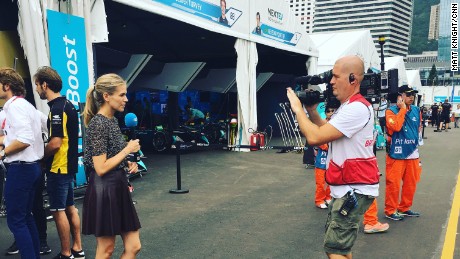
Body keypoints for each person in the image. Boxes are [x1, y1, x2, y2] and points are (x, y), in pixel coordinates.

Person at [287, 56, 379, 258]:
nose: (331, 81)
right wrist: (311, 110)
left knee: (334, 249)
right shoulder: (348, 106)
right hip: (351, 187)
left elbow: (314, 137)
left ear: (353, 79)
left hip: (352, 188)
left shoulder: (356, 108)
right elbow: (326, 132)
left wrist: (297, 109)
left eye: (336, 76)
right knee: (341, 247)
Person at [82, 73, 141, 258]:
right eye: (121, 95)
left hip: (118, 185)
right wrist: (127, 150)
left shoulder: (112, 120)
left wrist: (128, 162)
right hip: (104, 189)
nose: (126, 99)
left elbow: (112, 156)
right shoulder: (98, 124)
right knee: (106, 249)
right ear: (106, 96)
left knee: (134, 246)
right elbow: (100, 168)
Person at [33, 66, 85, 259]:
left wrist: (41, 157)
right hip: (67, 166)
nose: (37, 89)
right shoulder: (67, 105)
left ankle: (66, 253)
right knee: (70, 207)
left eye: (37, 85)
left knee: (58, 210)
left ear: (45, 84)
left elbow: (55, 143)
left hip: (59, 167)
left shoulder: (57, 109)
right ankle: (77, 249)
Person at [0, 67, 44, 258]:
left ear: (6, 86)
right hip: (32, 167)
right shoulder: (25, 105)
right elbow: (44, 126)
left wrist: (2, 153)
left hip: (21, 168)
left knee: (16, 221)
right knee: (25, 218)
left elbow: (25, 139)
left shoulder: (15, 107)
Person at [384, 85, 422, 221]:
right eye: (408, 94)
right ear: (400, 96)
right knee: (393, 184)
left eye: (413, 94)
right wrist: (403, 110)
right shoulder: (390, 111)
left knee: (410, 183)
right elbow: (395, 126)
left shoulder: (417, 110)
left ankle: (404, 208)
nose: (411, 97)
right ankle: (390, 210)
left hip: (412, 153)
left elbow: (418, 129)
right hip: (396, 153)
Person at [312, 106, 333, 209]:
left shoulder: (336, 124)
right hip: (322, 159)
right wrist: (327, 146)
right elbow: (318, 139)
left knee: (331, 180)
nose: (330, 113)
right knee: (321, 182)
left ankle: (328, 197)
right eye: (328, 111)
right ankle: (319, 200)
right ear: (325, 113)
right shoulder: (321, 125)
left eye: (333, 111)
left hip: (332, 158)